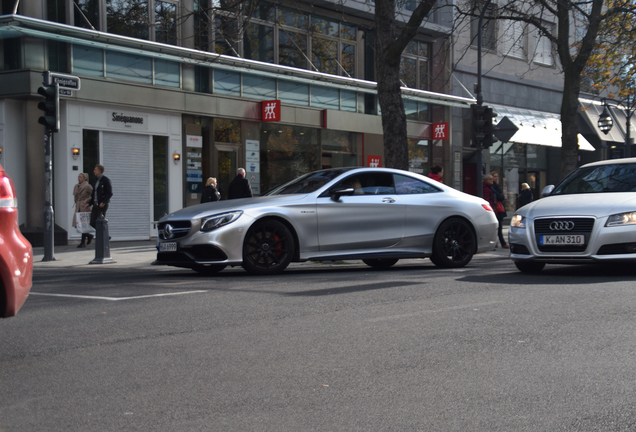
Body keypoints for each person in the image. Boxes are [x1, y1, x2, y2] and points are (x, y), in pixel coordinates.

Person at [88, 164, 113, 237]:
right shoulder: (96, 180)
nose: (93, 171)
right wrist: (89, 203)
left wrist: (104, 202)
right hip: (95, 204)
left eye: (95, 170)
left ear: (99, 171)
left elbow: (110, 193)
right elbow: (94, 193)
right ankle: (104, 234)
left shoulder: (105, 180)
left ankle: (104, 236)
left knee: (100, 221)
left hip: (101, 204)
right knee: (92, 222)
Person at [73, 173, 93, 248]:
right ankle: (88, 236)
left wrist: (87, 201)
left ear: (84, 178)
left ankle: (83, 242)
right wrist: (75, 201)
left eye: (81, 177)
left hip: (84, 206)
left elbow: (93, 195)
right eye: (78, 177)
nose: (79, 178)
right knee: (78, 224)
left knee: (83, 224)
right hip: (78, 205)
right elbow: (75, 195)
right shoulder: (76, 186)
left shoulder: (87, 186)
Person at [490, 171, 509, 249]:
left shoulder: (497, 186)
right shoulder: (492, 187)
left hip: (499, 209)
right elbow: (500, 196)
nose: (496, 178)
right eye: (495, 176)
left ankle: (498, 242)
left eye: (497, 176)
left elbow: (501, 197)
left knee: (499, 226)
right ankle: (501, 243)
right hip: (495, 209)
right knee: (497, 227)